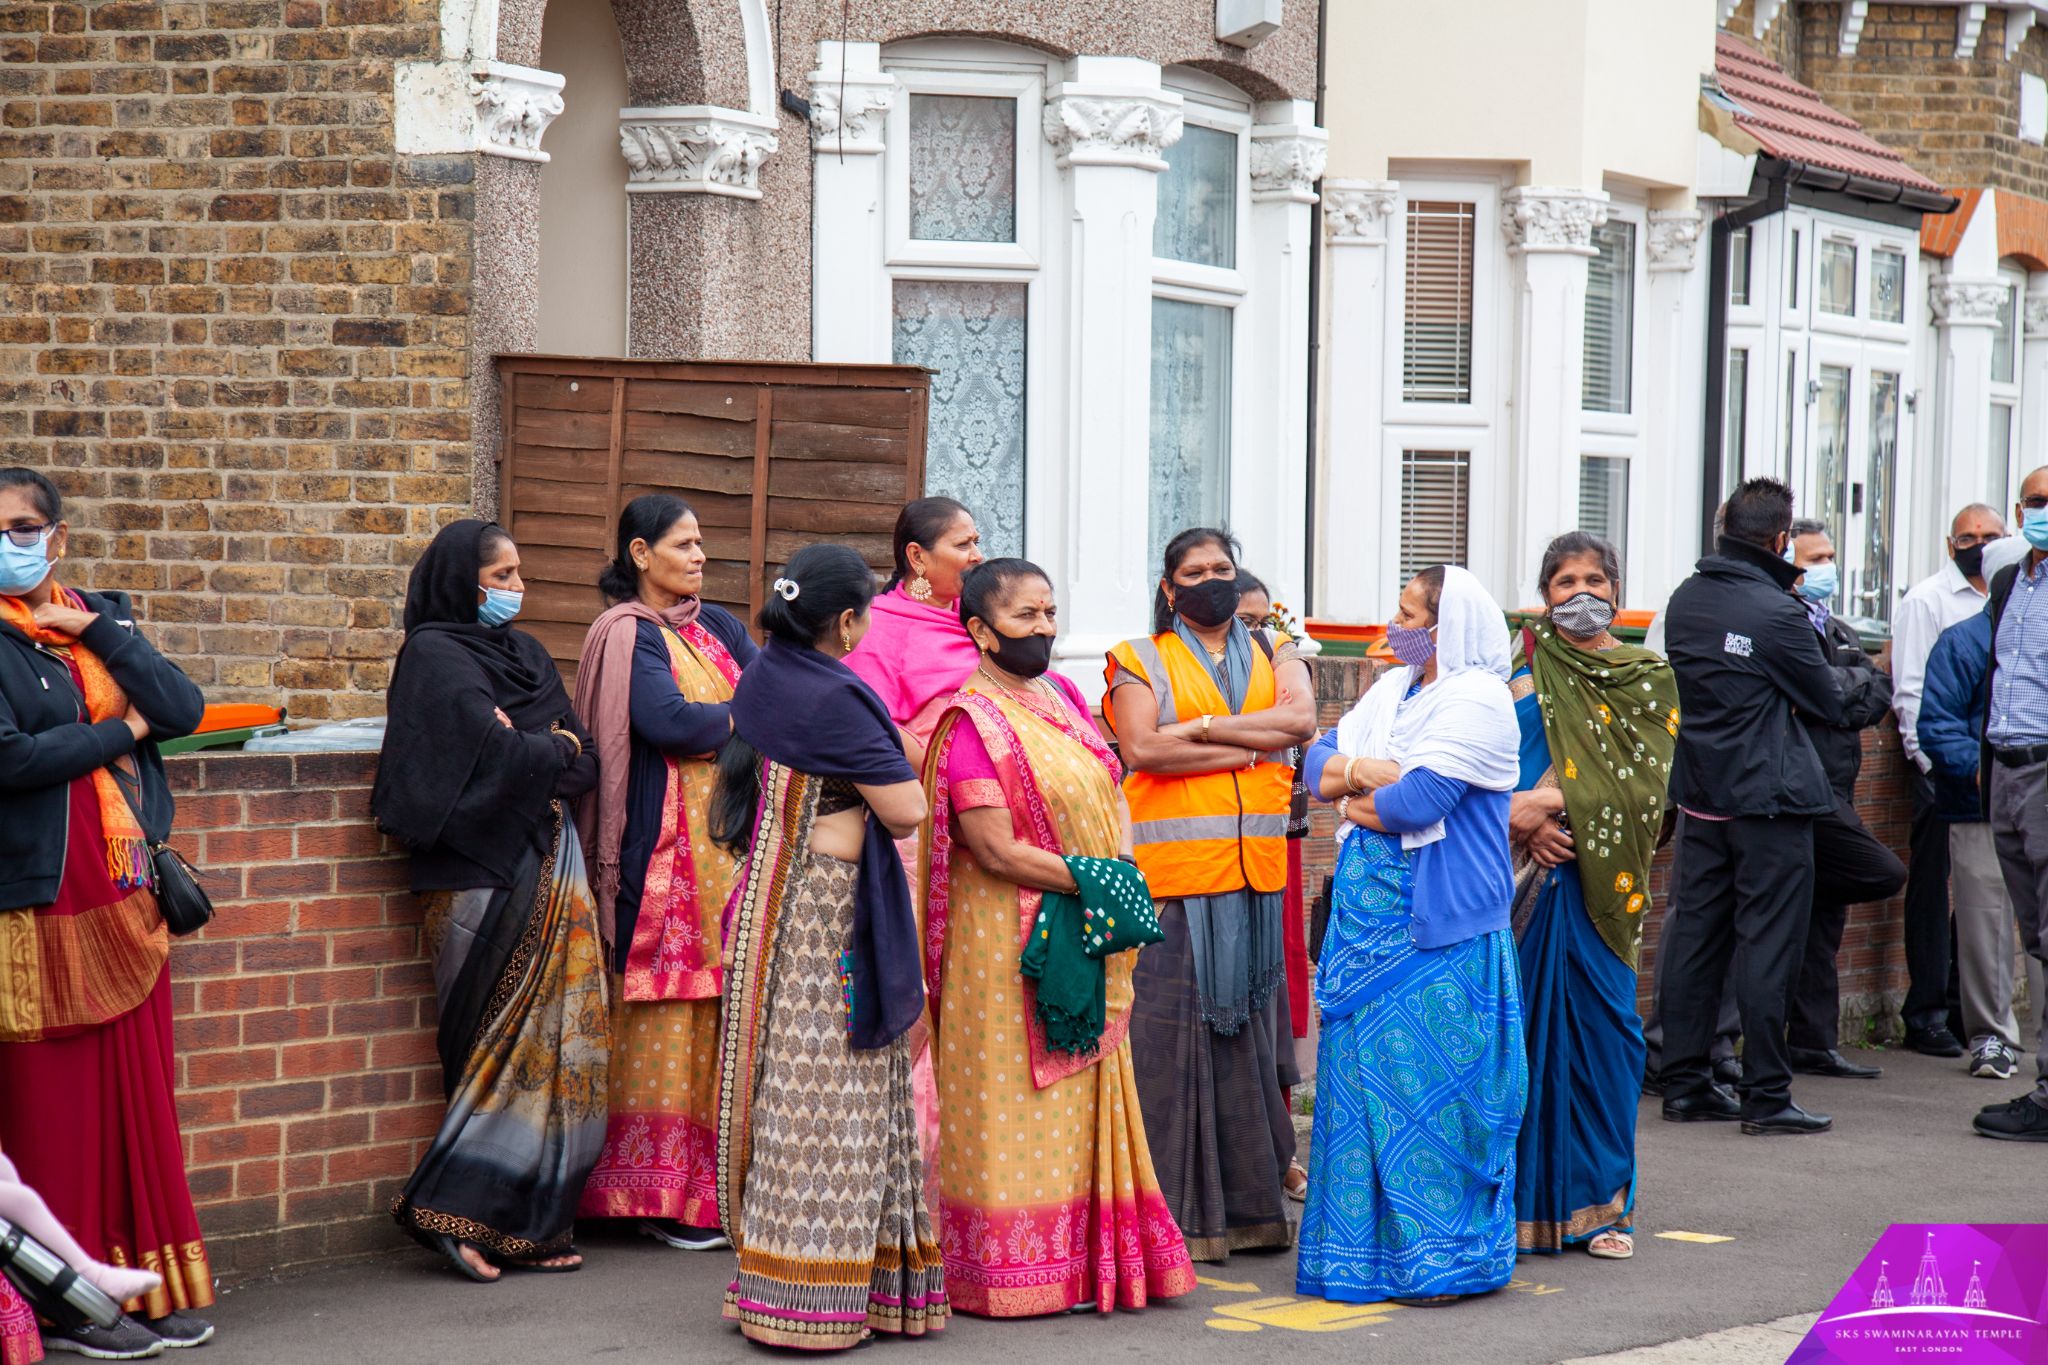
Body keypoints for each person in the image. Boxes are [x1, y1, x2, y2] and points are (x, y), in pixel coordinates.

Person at [920, 559, 1197, 1316]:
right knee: (1014, 1096)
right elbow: (997, 847)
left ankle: (1086, 1262)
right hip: (1003, 938)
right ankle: (1008, 1272)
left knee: (1084, 1092)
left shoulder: (1064, 694)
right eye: (1026, 616)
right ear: (980, 630)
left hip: (1081, 916)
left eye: (1049, 612)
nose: (1044, 627)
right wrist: (1102, 881)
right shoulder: (971, 720)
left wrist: (1119, 863)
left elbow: (1110, 785)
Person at [0, 467, 216, 1358]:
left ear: (56, 534)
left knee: (137, 1101)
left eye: (22, 524)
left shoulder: (102, 615)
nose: (11, 540)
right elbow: (11, 761)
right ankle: (70, 1299)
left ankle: (147, 1280)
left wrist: (101, 635)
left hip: (127, 899)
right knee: (52, 1109)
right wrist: (123, 733)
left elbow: (185, 709)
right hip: (38, 904)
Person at [709, 544, 947, 1349]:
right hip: (828, 913)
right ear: (846, 620)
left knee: (785, 1094)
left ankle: (773, 1287)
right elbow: (908, 808)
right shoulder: (838, 694)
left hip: (770, 902)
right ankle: (814, 1308)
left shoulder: (765, 672)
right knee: (835, 1101)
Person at [373, 518, 610, 1281]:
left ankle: (527, 1223)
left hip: (547, 857)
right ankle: (452, 1212)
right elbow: (508, 756)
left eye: (518, 574)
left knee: (563, 1044)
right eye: (500, 575)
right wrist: (548, 748)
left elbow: (585, 760)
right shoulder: (434, 657)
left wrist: (540, 747)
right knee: (489, 1047)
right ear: (459, 580)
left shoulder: (529, 655)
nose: (517, 588)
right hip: (476, 869)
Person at [1296, 564, 1524, 1304]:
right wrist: (1368, 774)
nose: (1394, 627)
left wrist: (1359, 797)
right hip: (1365, 926)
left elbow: (1417, 799)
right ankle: (1359, 1258)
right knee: (1360, 1091)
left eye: (1408, 615)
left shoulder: (1480, 699)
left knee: (1435, 1097)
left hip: (1439, 932)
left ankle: (1441, 1262)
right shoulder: (1393, 691)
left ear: (1446, 625)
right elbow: (1311, 762)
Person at [1102, 528, 1316, 1262]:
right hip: (1175, 888)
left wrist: (1200, 730)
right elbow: (1144, 749)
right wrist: (1256, 747)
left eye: (1221, 568)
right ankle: (1170, 1221)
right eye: (1193, 571)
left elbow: (1303, 722)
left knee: (1247, 1048)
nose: (1210, 580)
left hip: (1254, 881)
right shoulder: (1140, 658)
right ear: (1170, 589)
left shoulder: (1272, 651)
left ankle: (1250, 1210)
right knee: (1169, 1045)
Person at [571, 495, 757, 1251]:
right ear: (641, 554)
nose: (700, 556)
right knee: (659, 1008)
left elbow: (768, 687)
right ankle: (646, 1196)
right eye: (685, 544)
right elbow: (670, 722)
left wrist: (740, 712)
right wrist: (745, 714)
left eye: (703, 542)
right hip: (662, 856)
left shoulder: (715, 626)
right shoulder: (628, 634)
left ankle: (706, 1193)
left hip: (731, 843)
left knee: (719, 1011)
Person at [1657, 477, 1845, 1137]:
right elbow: (1828, 701)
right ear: (1778, 539)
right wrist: (1865, 679)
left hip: (1704, 796)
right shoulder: (1778, 611)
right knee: (1769, 943)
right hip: (1769, 801)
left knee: (1694, 940)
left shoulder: (1685, 600)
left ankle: (1684, 1083)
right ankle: (1767, 1094)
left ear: (1721, 526)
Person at [1506, 533, 1676, 1263]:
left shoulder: (1646, 675)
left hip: (1602, 885)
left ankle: (1607, 1207)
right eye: (1565, 580)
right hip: (1524, 882)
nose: (1581, 592)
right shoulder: (1521, 665)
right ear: (1545, 593)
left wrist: (1551, 809)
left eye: (1595, 579)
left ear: (1616, 590)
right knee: (1522, 1039)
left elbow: (1648, 791)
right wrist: (1527, 818)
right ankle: (1519, 1207)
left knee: (1607, 1041)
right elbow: (1486, 765)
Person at [842, 496, 985, 1213]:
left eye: (980, 540)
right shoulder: (881, 628)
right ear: (917, 558)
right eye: (964, 542)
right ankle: (912, 1190)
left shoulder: (980, 623)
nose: (978, 553)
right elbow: (870, 724)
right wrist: (938, 755)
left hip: (986, 840)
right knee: (920, 994)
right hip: (917, 835)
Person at [1782, 521, 1904, 1081]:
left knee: (1823, 925)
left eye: (1831, 555)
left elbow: (1873, 693)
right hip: (1800, 795)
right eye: (1815, 558)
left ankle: (1813, 1042)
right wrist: (1844, 688)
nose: (1826, 567)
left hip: (1838, 791)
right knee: (1881, 871)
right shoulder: (1782, 627)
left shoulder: (1840, 628)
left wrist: (1845, 687)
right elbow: (1823, 697)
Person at [1891, 504, 2007, 1058]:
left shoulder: (2011, 597)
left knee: (1987, 899)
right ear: (1949, 542)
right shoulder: (1928, 601)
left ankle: (1967, 1013)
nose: (1978, 544)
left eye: (1989, 536)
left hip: (1999, 777)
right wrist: (1932, 767)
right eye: (1968, 536)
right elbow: (1912, 692)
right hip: (1942, 771)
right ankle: (1927, 1012)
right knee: (1934, 891)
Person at [1918, 605, 2034, 1083]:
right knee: (1984, 924)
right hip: (1978, 805)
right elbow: (1936, 723)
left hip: (2039, 796)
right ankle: (1991, 1037)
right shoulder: (1963, 641)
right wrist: (1983, 770)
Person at [1973, 464, 2048, 1141]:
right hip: (2006, 766)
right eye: (2035, 500)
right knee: (2038, 934)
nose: (2042, 511)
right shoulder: (2008, 581)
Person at [1234, 573, 1312, 1201]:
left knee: (1274, 1001)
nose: (1258, 633)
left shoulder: (1281, 673)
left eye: (1267, 622)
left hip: (1277, 849)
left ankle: (1281, 1146)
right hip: (1207, 859)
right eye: (1245, 620)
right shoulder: (1182, 672)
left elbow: (1298, 728)